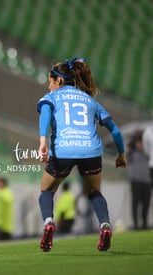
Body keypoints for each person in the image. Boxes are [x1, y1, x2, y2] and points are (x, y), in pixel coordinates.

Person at [37, 57, 126, 252]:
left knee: (46, 190)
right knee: (94, 192)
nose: (49, 86)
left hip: (64, 149)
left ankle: (49, 222)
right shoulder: (90, 100)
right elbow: (116, 131)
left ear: (59, 81)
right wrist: (121, 154)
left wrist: (43, 140)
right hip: (91, 150)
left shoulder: (50, 98)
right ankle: (104, 225)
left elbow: (45, 114)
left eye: (50, 82)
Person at [128, 130, 151, 229]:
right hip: (135, 180)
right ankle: (136, 225)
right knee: (135, 202)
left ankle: (145, 224)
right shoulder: (132, 153)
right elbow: (126, 159)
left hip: (147, 180)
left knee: (146, 203)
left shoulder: (148, 152)